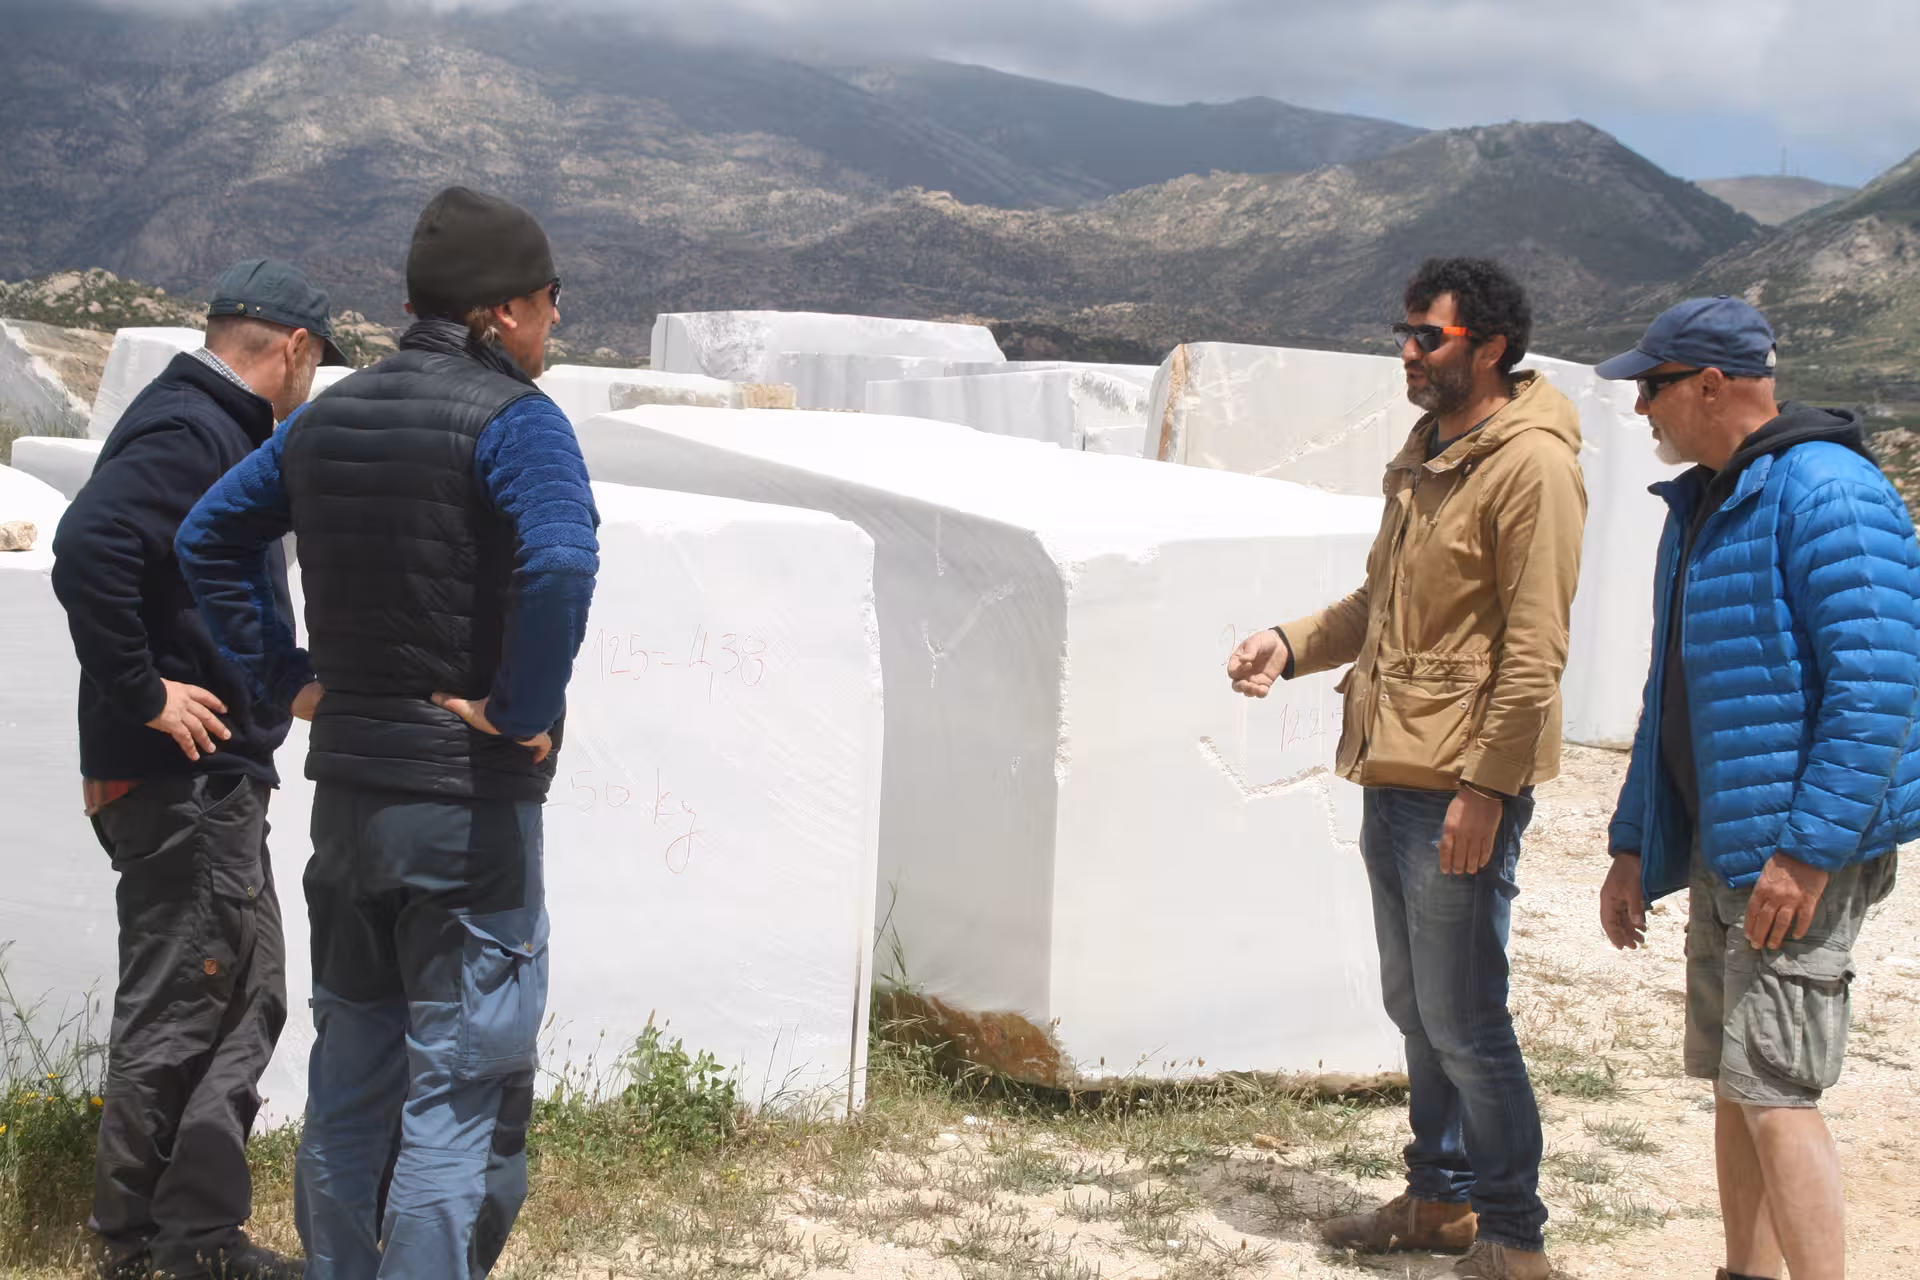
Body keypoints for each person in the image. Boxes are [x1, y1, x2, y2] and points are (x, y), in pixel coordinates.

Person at [174, 187, 600, 1279]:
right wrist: (521, 709)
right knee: (457, 1102)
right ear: (503, 313)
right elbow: (559, 559)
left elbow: (210, 536)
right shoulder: (519, 422)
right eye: (550, 305)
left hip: (351, 810)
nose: (555, 325)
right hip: (467, 813)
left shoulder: (329, 417)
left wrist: (285, 677)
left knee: (352, 1083)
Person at [1227, 257, 1586, 1280]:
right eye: (1405, 333)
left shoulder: (1531, 467)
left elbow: (1534, 653)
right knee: (1418, 1008)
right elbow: (1376, 605)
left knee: (1468, 1018)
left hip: (1459, 788)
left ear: (1492, 346)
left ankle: (1515, 1238)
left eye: (1427, 337)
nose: (1408, 352)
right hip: (1396, 768)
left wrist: (1487, 787)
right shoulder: (1430, 450)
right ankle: (1438, 1199)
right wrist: (1289, 644)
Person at [1594, 296, 1916, 1280]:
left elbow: (1881, 685)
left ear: (1708, 384)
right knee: (1740, 1081)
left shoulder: (1830, 493)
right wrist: (1634, 840)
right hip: (1732, 844)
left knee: (1777, 1086)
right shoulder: (1704, 503)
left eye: (1650, 387)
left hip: (1792, 854)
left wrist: (1810, 850)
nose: (1639, 408)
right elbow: (1675, 695)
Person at [51, 259, 347, 1280]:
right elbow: (88, 544)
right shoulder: (194, 428)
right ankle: (145, 1249)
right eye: (314, 367)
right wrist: (145, 698)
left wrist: (286, 684)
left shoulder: (198, 422)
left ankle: (193, 1238)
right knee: (190, 1003)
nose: (309, 386)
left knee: (241, 993)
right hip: (185, 784)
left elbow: (184, 590)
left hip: (207, 780)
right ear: (292, 349)